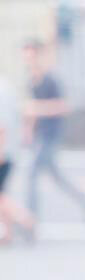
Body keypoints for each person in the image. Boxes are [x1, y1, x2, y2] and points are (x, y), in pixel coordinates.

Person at [21, 38, 85, 222]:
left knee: (32, 174)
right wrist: (28, 131)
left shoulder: (50, 80)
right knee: (57, 177)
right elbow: (32, 112)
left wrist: (37, 109)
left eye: (31, 57)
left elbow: (62, 106)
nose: (29, 61)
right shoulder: (31, 81)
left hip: (50, 135)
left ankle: (30, 218)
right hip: (39, 136)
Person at [0, 76, 36, 244]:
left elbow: (2, 126)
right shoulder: (6, 87)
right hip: (10, 150)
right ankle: (8, 234)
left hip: (4, 152)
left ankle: (26, 220)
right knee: (2, 193)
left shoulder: (2, 91)